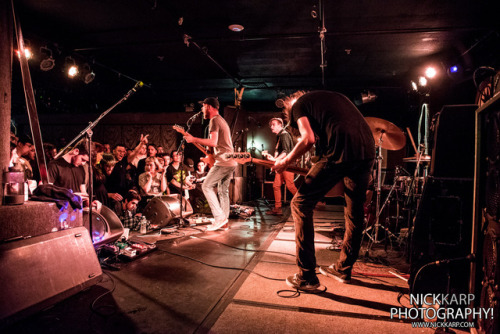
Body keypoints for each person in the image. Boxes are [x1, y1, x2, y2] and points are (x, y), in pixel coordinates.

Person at [273, 90, 375, 291]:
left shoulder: (298, 106)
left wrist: (285, 161)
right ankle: (343, 269)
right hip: (367, 150)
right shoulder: (330, 100)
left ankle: (307, 276)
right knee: (354, 213)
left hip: (342, 149)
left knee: (300, 204)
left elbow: (308, 139)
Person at [183, 97, 237, 231]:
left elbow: (213, 142)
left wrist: (193, 139)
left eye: (203, 107)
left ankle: (219, 218)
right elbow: (216, 145)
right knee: (223, 191)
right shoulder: (221, 120)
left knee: (206, 186)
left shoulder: (214, 120)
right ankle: (224, 220)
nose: (201, 109)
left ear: (209, 107)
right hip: (230, 161)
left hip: (223, 162)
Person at [263, 117, 298, 215]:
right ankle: (278, 208)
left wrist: (276, 159)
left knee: (290, 185)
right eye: (271, 125)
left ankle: (305, 203)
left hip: (287, 165)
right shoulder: (280, 136)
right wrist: (274, 158)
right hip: (283, 165)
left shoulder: (284, 135)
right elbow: (282, 152)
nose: (271, 127)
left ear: (280, 125)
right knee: (276, 185)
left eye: (274, 124)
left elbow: (286, 152)